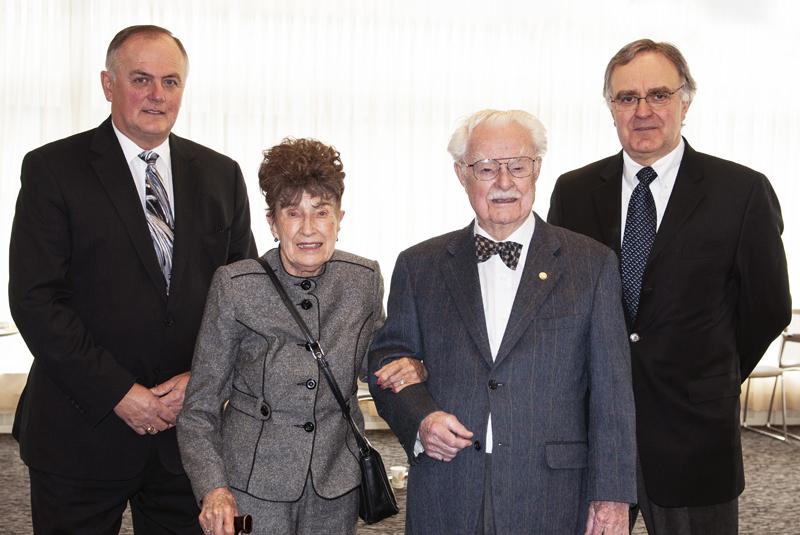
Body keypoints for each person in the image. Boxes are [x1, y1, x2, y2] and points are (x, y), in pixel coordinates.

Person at [8, 25, 257, 534]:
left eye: (170, 82)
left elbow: (245, 298)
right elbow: (36, 301)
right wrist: (121, 393)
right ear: (107, 83)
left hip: (188, 436)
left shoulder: (221, 175)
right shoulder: (52, 169)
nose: (156, 95)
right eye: (141, 79)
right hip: (81, 427)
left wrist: (203, 381)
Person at [548, 39, 792, 535]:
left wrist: (713, 373)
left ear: (686, 101)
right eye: (626, 98)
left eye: (658, 95)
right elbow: (558, 303)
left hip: (694, 433)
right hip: (592, 433)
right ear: (610, 107)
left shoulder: (741, 192)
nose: (642, 111)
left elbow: (768, 308)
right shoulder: (573, 192)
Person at [368, 109, 637, 535]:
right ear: (462, 174)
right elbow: (388, 362)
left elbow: (613, 394)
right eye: (487, 168)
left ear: (537, 170)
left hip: (551, 491)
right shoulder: (419, 266)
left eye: (517, 166)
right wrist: (420, 418)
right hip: (448, 484)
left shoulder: (593, 264)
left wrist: (613, 496)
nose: (505, 182)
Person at [177, 137, 426, 535]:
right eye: (293, 213)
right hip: (250, 484)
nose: (308, 229)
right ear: (272, 222)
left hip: (335, 483)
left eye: (321, 212)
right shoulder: (236, 286)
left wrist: (411, 366)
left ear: (339, 219)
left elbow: (377, 361)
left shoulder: (362, 280)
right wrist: (213, 488)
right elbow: (200, 406)